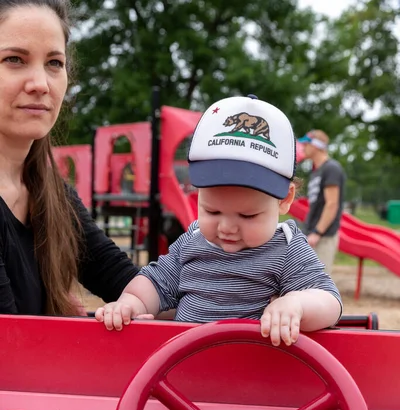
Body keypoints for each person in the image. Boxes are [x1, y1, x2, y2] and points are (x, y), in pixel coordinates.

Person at [96, 95, 342, 346]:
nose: (226, 227)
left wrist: (296, 304)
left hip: (254, 372)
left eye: (248, 215)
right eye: (212, 212)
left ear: (284, 199)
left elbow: (330, 301)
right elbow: (155, 283)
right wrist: (131, 303)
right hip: (182, 369)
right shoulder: (192, 242)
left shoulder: (286, 249)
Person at [0, 0, 140, 316]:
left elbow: (126, 282)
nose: (40, 84)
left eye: (54, 63)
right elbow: (12, 344)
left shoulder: (50, 193)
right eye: (14, 59)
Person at [298, 130, 346, 275]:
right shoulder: (316, 171)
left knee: (319, 284)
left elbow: (332, 204)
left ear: (316, 145)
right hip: (312, 233)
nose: (303, 147)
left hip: (323, 236)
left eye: (306, 144)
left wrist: (317, 232)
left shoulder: (331, 168)